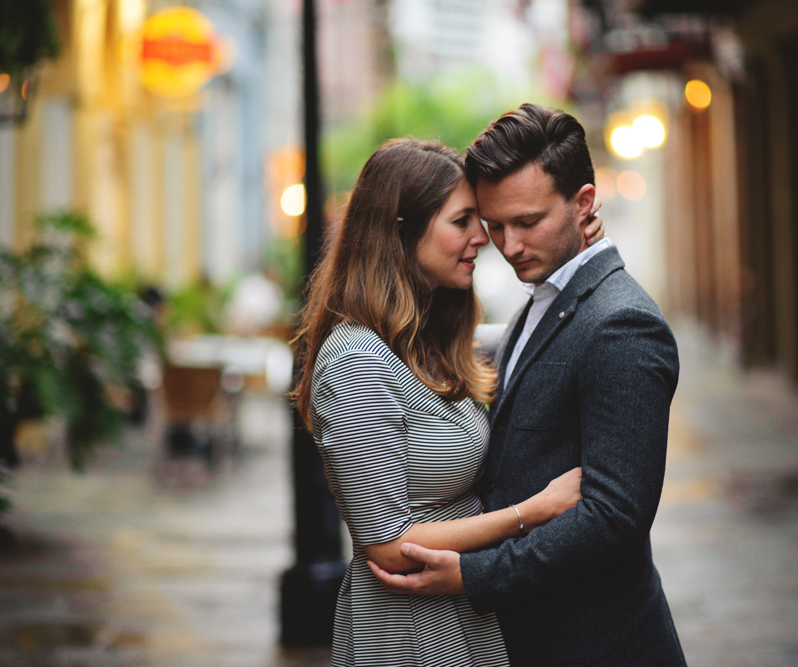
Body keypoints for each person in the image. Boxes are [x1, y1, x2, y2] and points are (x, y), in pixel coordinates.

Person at [370, 104, 688, 666]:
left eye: (528, 222)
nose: (509, 245)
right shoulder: (545, 300)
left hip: (597, 643)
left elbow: (613, 517)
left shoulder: (621, 324)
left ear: (583, 203)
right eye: (495, 225)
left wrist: (472, 575)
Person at [291, 138, 602, 667]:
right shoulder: (356, 361)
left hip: (461, 614)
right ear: (401, 229)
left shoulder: (425, 343)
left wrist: (575, 254)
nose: (484, 238)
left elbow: (538, 338)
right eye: (463, 221)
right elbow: (389, 545)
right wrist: (531, 513)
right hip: (407, 627)